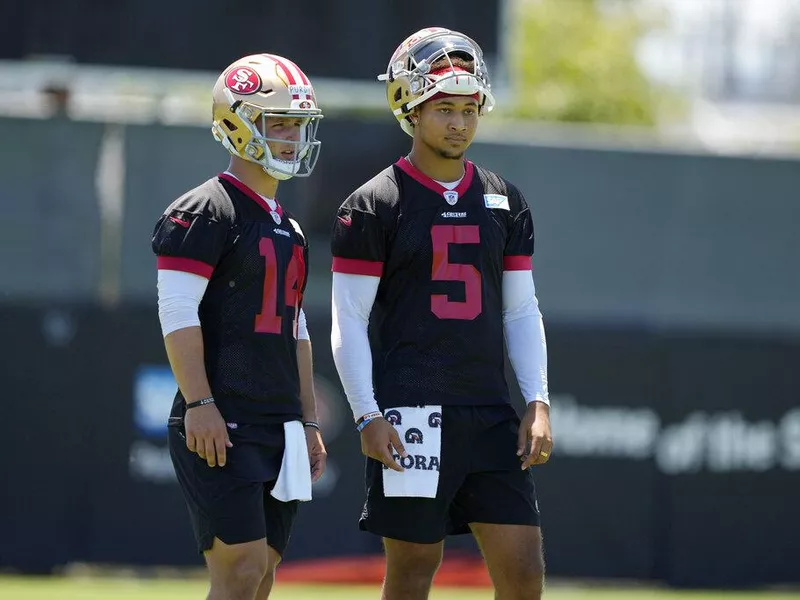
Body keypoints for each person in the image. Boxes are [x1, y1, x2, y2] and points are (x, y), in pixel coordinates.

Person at [330, 28, 553, 600]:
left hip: (488, 410)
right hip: (411, 411)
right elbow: (347, 320)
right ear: (408, 106)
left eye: (468, 107)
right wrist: (365, 415)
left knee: (524, 576)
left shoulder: (506, 197)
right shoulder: (374, 203)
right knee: (410, 575)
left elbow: (522, 310)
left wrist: (537, 401)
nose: (459, 122)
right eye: (444, 108)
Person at [151, 53, 327, 600]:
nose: (291, 137)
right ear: (236, 121)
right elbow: (176, 312)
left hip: (278, 420)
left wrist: (309, 418)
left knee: (263, 576)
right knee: (241, 570)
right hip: (224, 414)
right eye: (278, 122)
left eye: (297, 125)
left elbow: (295, 327)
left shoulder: (289, 226)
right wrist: (200, 403)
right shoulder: (206, 209)